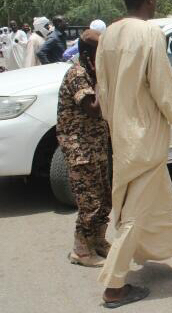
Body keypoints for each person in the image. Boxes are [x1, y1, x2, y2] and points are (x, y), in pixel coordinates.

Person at [96, 0, 172, 308]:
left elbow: (103, 90)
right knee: (134, 216)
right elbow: (165, 91)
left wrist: (113, 125)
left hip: (123, 136)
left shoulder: (109, 35)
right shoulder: (149, 34)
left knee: (159, 205)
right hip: (145, 138)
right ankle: (114, 286)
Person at [57, 29, 112, 267]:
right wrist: (101, 76)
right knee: (89, 202)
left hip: (96, 147)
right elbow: (93, 108)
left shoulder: (89, 71)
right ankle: (80, 251)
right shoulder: (77, 74)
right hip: (81, 150)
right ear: (89, 55)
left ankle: (97, 241)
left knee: (104, 199)